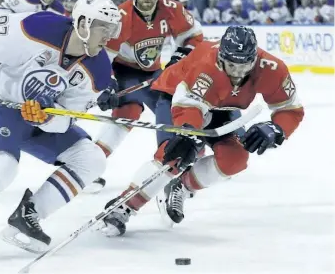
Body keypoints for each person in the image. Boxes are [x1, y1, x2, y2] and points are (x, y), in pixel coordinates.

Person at [0, 0, 122, 268]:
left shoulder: (99, 70)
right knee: (1, 167)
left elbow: (66, 118)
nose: (109, 36)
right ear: (83, 23)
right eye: (104, 27)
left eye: (113, 29)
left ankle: (28, 216)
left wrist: (45, 119)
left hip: (36, 118)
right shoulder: (37, 27)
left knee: (91, 159)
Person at [98, 26, 304, 236]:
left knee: (235, 159)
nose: (238, 73)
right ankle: (125, 205)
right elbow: (187, 104)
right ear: (222, 57)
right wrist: (187, 133)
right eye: (232, 66)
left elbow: (291, 109)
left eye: (245, 66)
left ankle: (182, 187)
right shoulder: (206, 64)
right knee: (173, 155)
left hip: (223, 107)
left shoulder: (271, 68)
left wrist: (277, 129)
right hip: (176, 98)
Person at [86, 0, 204, 192]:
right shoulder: (121, 16)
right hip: (124, 72)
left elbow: (194, 38)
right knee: (128, 113)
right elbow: (103, 56)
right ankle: (86, 166)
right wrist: (108, 83)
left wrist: (180, 56)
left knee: (172, 108)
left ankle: (179, 158)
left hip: (152, 73)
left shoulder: (171, 9)